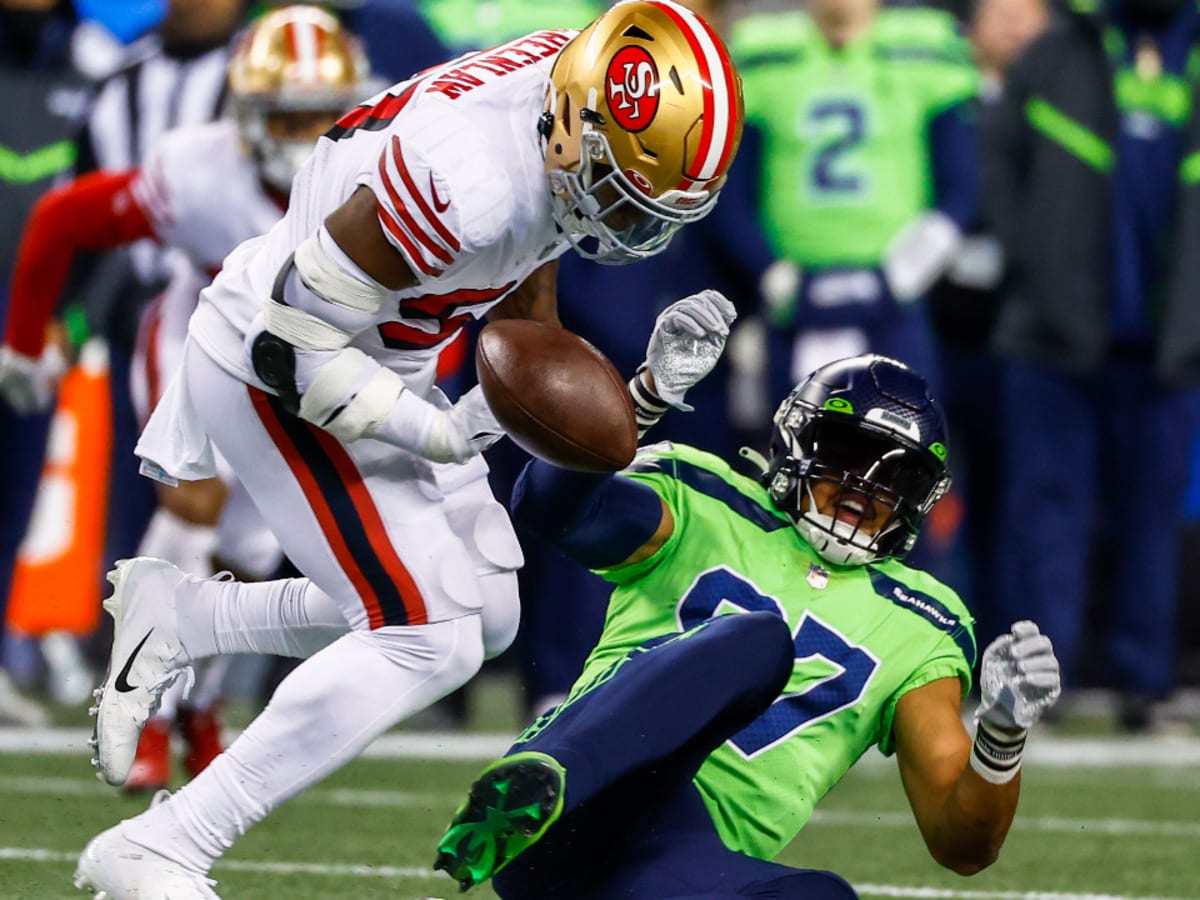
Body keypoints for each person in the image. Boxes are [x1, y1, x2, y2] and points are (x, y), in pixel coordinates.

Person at [72, 2, 744, 896]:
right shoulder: (467, 181)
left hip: (373, 358)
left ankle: (192, 620)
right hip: (276, 364)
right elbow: (291, 342)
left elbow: (524, 288)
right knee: (425, 635)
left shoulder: (555, 97)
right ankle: (167, 843)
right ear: (572, 122)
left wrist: (640, 396)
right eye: (619, 193)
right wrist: (440, 431)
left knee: (488, 615)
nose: (625, 227)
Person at [433, 351, 1062, 898]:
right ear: (798, 440)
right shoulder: (705, 496)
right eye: (846, 453)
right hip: (585, 793)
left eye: (894, 476)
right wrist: (640, 398)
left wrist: (1000, 737)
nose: (860, 488)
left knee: (822, 895)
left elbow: (963, 847)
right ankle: (538, 782)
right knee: (756, 640)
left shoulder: (927, 620)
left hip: (673, 858)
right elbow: (552, 509)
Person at [2, 4, 370, 790]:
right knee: (192, 508)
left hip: (303, 359)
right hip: (197, 338)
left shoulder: (378, 176)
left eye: (320, 114)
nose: (306, 133)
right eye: (287, 113)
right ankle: (145, 708)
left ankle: (201, 711)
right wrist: (26, 337)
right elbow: (63, 219)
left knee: (253, 550)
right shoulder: (199, 170)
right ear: (245, 112)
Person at [984, 0, 1200, 730]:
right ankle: (1042, 682)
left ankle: (1145, 682)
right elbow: (1000, 156)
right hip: (1053, 340)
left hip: (1170, 345)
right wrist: (1027, 264)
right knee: (1046, 516)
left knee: (1152, 521)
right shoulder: (1057, 50)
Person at [0, 0, 95, 726]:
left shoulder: (94, 71)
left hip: (38, 331)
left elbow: (113, 218)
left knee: (13, 500)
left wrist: (76, 321)